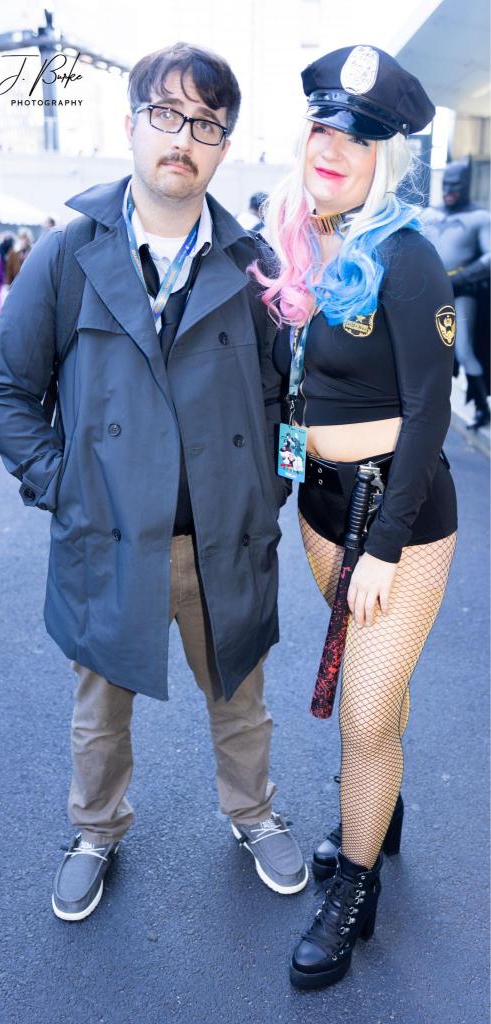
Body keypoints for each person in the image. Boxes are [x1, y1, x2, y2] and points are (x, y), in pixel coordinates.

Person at [0, 41, 307, 925]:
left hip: (222, 538)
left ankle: (253, 811)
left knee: (241, 699)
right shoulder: (67, 255)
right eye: (166, 114)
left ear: (224, 145)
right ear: (129, 125)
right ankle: (95, 830)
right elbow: (6, 388)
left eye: (206, 123)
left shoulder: (252, 266)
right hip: (111, 535)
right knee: (99, 710)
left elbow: (290, 401)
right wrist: (61, 486)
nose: (183, 138)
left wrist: (270, 491)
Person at [252, 45, 457, 989]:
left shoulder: (406, 259)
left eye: (359, 138)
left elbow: (429, 411)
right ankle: (384, 803)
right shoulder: (298, 246)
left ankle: (354, 890)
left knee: (362, 719)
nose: (333, 148)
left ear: (386, 157)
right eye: (324, 128)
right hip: (320, 509)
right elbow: (292, 388)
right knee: (382, 699)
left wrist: (381, 548)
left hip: (398, 519)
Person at [424, 158, 490, 430]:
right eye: (446, 184)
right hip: (428, 291)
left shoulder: (480, 217)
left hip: (461, 291)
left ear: (466, 185)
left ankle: (481, 407)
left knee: (463, 349)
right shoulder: (429, 214)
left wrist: (458, 279)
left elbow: (489, 258)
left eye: (456, 185)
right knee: (422, 349)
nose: (449, 189)